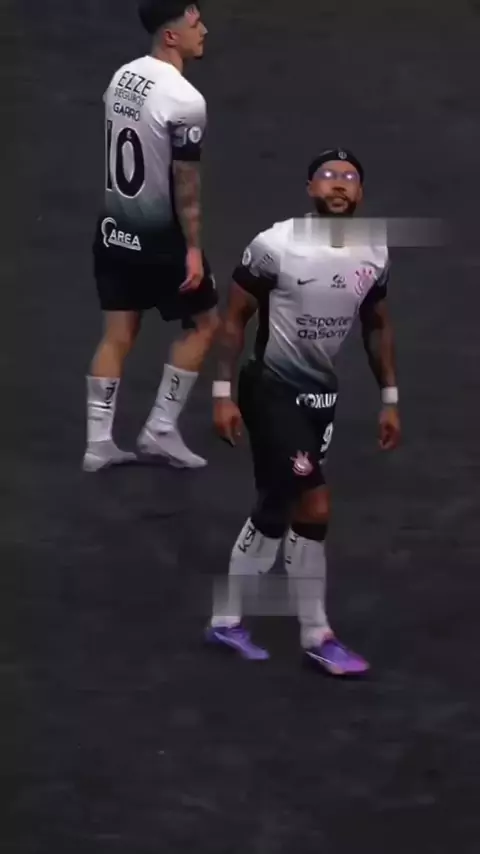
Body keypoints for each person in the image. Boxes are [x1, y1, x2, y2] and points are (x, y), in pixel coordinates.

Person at [205, 148, 401, 676]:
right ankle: (318, 635)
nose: (339, 184)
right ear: (310, 188)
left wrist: (389, 399)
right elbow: (235, 318)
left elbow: (377, 325)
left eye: (349, 177)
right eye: (328, 176)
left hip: (321, 397)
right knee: (313, 502)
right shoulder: (275, 245)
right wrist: (222, 392)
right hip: (271, 389)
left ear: (360, 192)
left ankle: (225, 621)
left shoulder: (374, 249)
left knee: (276, 507)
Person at [84, 1, 219, 473]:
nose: (204, 30)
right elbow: (186, 184)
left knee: (118, 334)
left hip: (113, 231)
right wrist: (193, 249)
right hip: (160, 240)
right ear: (170, 35)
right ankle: (160, 428)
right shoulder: (185, 99)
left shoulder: (122, 76)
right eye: (195, 23)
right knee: (204, 324)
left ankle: (98, 443)